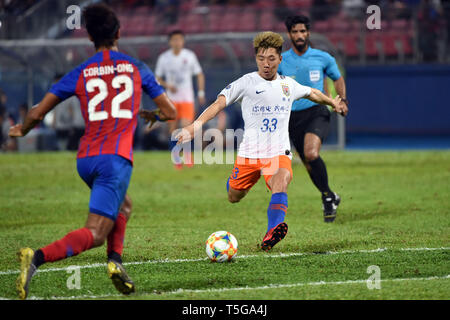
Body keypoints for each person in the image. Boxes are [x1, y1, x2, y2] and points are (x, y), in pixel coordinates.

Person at [9, 3, 176, 300]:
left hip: (86, 158)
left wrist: (21, 129)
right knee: (96, 233)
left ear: (89, 38)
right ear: (119, 33)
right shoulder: (137, 68)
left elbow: (37, 112)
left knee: (123, 206)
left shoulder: (81, 71)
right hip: (115, 160)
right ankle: (35, 257)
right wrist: (156, 116)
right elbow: (171, 111)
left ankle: (116, 263)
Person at [176, 31, 344, 251]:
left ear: (280, 59)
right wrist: (195, 125)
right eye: (261, 59)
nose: (266, 64)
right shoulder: (246, 82)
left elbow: (312, 92)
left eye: (272, 59)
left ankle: (271, 233)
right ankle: (236, 184)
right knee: (234, 196)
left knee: (281, 181)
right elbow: (219, 103)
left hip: (278, 154)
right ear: (256, 59)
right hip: (249, 155)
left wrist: (332, 102)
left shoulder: (288, 85)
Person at [278, 15, 349, 223]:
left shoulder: (323, 57)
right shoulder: (282, 61)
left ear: (308, 32)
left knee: (311, 153)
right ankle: (329, 195)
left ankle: (327, 198)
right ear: (289, 34)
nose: (299, 35)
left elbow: (338, 78)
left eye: (302, 31)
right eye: (295, 32)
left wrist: (342, 100)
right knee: (309, 164)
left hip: (317, 111)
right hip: (292, 118)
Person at [155, 29, 206, 169]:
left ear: (183, 41)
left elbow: (199, 74)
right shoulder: (164, 58)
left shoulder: (189, 56)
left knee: (186, 127)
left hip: (187, 98)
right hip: (171, 99)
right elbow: (157, 78)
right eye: (174, 40)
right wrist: (167, 86)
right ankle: (177, 159)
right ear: (170, 42)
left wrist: (200, 93)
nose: (177, 42)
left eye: (179, 39)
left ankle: (188, 156)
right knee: (172, 129)